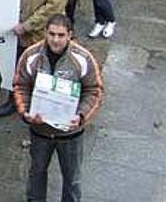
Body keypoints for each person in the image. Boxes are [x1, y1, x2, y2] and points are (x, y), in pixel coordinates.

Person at [13, 14, 104, 202]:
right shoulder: (31, 55)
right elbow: (20, 86)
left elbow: (94, 90)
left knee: (72, 181)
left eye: (61, 35)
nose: (56, 39)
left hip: (70, 134)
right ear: (45, 33)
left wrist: (81, 116)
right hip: (40, 131)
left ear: (70, 35)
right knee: (36, 174)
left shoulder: (83, 58)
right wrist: (26, 113)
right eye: (52, 34)